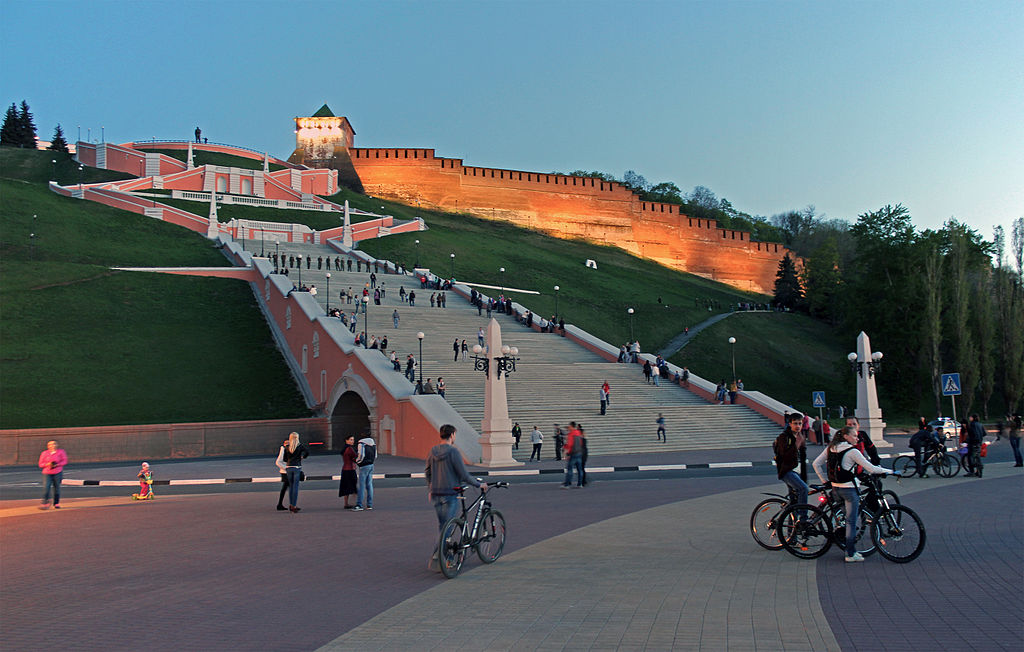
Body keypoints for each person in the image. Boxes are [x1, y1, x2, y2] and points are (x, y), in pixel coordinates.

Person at [812, 426, 896, 562]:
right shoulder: (852, 451)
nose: (857, 438)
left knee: (844, 519)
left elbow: (816, 463)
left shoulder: (831, 447)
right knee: (851, 522)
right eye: (854, 436)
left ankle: (840, 534)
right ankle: (850, 553)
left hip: (835, 489)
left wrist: (824, 480)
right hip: (849, 490)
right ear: (846, 436)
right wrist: (891, 472)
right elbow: (871, 468)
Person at [425, 424, 487, 571]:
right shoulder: (453, 452)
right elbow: (463, 475)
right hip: (450, 494)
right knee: (448, 527)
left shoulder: (433, 451)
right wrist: (479, 485)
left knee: (443, 526)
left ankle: (440, 556)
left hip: (436, 494)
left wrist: (430, 488)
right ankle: (439, 556)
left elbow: (427, 471)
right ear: (452, 435)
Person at [773, 413, 807, 508]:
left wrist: (804, 477)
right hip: (787, 471)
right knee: (803, 489)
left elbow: (803, 459)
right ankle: (803, 517)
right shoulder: (783, 437)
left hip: (798, 471)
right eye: (795, 423)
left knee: (794, 500)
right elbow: (784, 455)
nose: (798, 426)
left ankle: (790, 520)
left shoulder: (801, 437)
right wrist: (796, 445)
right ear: (790, 424)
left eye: (800, 423)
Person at [283, 432, 309, 513]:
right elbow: (307, 452)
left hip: (288, 467)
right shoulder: (300, 446)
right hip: (297, 467)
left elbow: (284, 459)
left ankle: (291, 505)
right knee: (295, 487)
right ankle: (293, 505)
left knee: (291, 487)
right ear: (297, 438)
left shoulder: (287, 447)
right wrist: (302, 457)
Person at [38, 440, 67, 509]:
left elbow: (65, 461)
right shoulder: (44, 453)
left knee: (57, 488)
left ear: (57, 445)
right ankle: (45, 502)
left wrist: (58, 464)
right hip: (47, 473)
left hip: (57, 472)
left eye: (54, 444)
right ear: (48, 446)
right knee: (46, 487)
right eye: (50, 444)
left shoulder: (61, 452)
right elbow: (40, 464)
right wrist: (47, 464)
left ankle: (56, 503)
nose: (52, 446)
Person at [353, 433, 376, 511]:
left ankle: (359, 504)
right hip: (371, 465)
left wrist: (357, 461)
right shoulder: (373, 444)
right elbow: (375, 455)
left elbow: (361, 455)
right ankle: (369, 504)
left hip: (364, 465)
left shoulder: (361, 444)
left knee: (361, 486)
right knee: (369, 485)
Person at [562, 423, 584, 488]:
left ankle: (567, 484)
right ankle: (580, 484)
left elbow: (569, 445)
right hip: (579, 453)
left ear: (572, 427)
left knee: (570, 469)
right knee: (579, 469)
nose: (568, 428)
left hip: (573, 454)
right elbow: (581, 443)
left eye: (569, 427)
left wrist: (566, 454)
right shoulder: (578, 432)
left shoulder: (571, 434)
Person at [339, 435, 358, 508]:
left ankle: (346, 503)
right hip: (350, 469)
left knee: (346, 487)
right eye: (351, 440)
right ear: (346, 440)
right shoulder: (349, 449)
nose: (352, 441)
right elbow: (355, 458)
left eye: (353, 440)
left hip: (345, 469)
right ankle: (356, 503)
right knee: (353, 486)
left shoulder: (344, 448)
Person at [275, 438, 290, 510]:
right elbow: (278, 462)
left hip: (285, 472)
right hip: (285, 473)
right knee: (288, 488)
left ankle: (280, 504)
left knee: (285, 488)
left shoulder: (286, 450)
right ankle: (291, 505)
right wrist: (286, 468)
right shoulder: (283, 450)